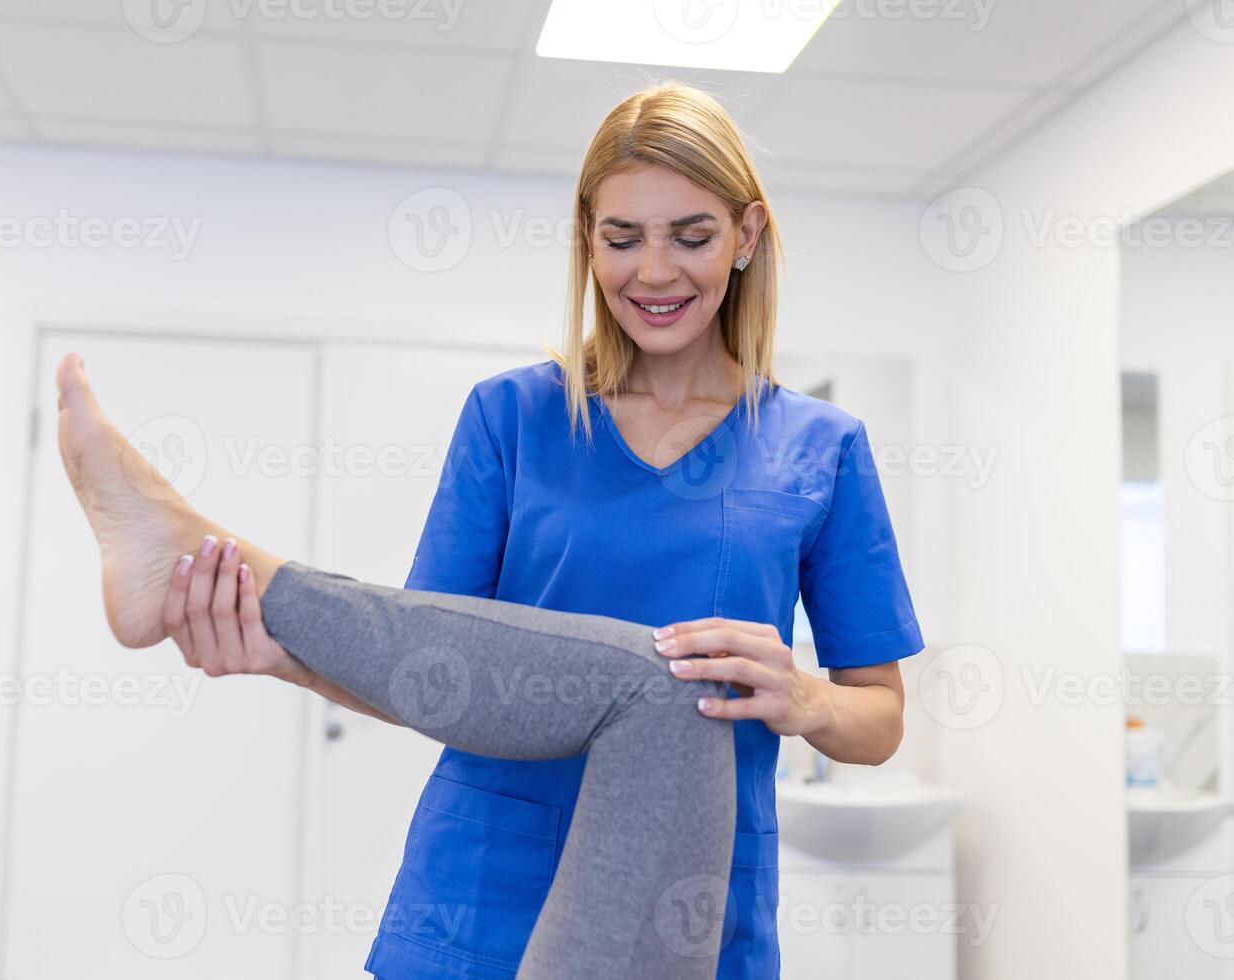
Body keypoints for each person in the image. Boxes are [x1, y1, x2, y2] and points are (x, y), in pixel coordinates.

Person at [64, 77, 923, 980]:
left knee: (661, 690)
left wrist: (811, 700)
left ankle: (189, 539)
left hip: (689, 894)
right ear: (586, 243)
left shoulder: (819, 448)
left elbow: (881, 716)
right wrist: (279, 651)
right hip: (485, 883)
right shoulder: (513, 418)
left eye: (692, 236)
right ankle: (196, 551)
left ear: (746, 236)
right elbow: (433, 663)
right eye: (622, 238)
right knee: (605, 671)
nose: (655, 272)